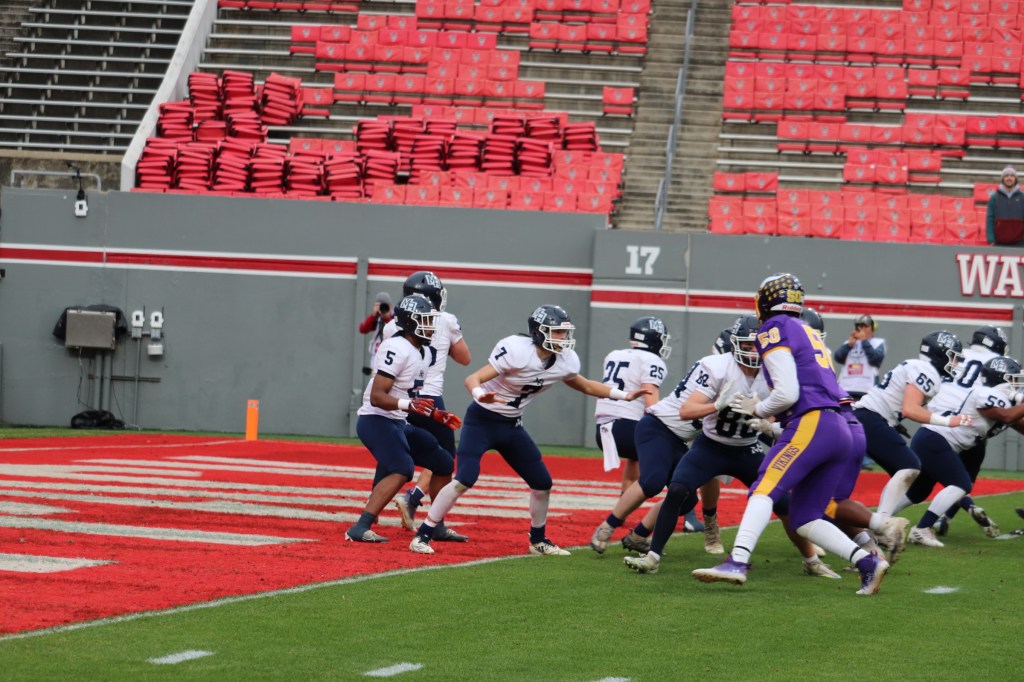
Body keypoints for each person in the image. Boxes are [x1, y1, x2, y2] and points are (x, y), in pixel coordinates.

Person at [692, 273, 890, 596]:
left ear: (766, 301)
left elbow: (787, 393)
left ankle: (737, 562)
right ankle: (867, 562)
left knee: (763, 488)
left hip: (812, 422)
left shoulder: (775, 328)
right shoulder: (807, 330)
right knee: (805, 516)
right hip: (838, 426)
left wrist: (758, 409)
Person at [407, 304, 649, 555]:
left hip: (512, 426)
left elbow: (586, 386)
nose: (563, 337)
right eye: (557, 332)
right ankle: (423, 534)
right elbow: (472, 379)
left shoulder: (564, 361)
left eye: (564, 332)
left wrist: (624, 395)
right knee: (465, 478)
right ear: (539, 332)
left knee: (542, 482)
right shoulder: (517, 351)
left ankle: (538, 540)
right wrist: (481, 395)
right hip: (482, 422)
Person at [623, 314, 841, 579]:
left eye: (756, 345)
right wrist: (716, 405)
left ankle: (811, 560)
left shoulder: (777, 370)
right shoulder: (716, 367)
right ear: (734, 344)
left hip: (747, 448)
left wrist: (766, 419)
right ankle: (653, 557)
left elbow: (785, 416)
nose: (752, 351)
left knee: (784, 502)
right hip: (711, 445)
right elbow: (686, 410)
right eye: (747, 345)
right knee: (678, 489)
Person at [345, 294, 462, 543]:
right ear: (409, 322)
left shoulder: (424, 352)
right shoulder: (395, 348)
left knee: (443, 462)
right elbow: (377, 397)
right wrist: (410, 405)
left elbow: (410, 396)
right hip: (375, 419)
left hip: (398, 420)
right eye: (425, 320)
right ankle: (360, 527)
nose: (430, 326)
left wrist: (435, 414)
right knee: (402, 468)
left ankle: (436, 525)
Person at [899, 356, 1024, 547]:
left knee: (919, 491)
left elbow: (1015, 420)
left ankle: (879, 519)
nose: (1017, 384)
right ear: (1001, 378)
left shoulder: (1003, 401)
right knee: (961, 484)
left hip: (935, 440)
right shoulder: (986, 394)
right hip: (935, 439)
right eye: (1013, 379)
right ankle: (922, 529)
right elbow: (1007, 417)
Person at [388, 272, 472, 543]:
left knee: (393, 455)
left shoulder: (392, 324)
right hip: (430, 399)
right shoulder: (445, 320)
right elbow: (465, 358)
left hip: (399, 398)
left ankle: (370, 517)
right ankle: (433, 520)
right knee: (444, 460)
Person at [853, 331, 972, 520]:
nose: (955, 363)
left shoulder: (918, 366)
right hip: (870, 418)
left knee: (917, 480)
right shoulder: (927, 371)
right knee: (910, 465)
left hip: (867, 417)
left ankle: (871, 524)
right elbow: (910, 409)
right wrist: (948, 421)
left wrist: (895, 423)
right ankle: (881, 523)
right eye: (953, 357)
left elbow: (898, 402)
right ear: (939, 353)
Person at [929, 326, 1008, 538]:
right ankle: (948, 515)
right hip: (972, 422)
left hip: (939, 419)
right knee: (964, 479)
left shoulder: (957, 354)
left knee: (941, 473)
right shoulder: (999, 363)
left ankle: (947, 516)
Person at [594, 316, 670, 490]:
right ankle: (682, 502)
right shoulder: (652, 360)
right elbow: (651, 402)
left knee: (634, 458)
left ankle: (624, 503)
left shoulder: (614, 355)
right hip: (626, 429)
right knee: (672, 457)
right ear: (654, 338)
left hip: (601, 430)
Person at [833, 314, 885, 401]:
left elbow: (875, 360)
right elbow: (838, 358)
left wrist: (864, 341)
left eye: (865, 326)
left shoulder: (877, 343)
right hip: (846, 389)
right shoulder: (849, 343)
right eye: (860, 326)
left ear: (872, 329)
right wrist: (849, 345)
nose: (862, 329)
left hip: (866, 390)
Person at [986, 165, 1024, 245]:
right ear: (1002, 178)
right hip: (999, 243)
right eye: (1006, 175)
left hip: (1020, 244)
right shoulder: (994, 197)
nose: (1009, 178)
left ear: (1015, 179)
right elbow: (990, 218)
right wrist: (991, 239)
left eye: (1012, 176)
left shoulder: (1022, 197)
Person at [359, 291, 395, 359]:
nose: (382, 308)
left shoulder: (394, 318)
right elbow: (362, 329)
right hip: (375, 356)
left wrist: (387, 317)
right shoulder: (376, 319)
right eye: (379, 306)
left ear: (390, 307)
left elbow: (394, 329)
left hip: (388, 356)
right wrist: (373, 315)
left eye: (385, 306)